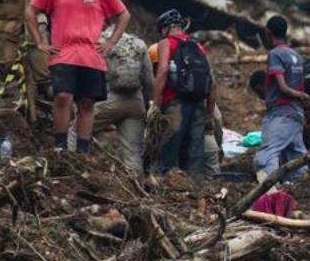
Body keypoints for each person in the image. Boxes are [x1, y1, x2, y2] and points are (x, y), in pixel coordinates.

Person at [26, 0, 130, 154]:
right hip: (63, 53)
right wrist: (39, 41)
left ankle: (83, 150)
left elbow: (124, 15)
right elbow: (31, 10)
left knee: (87, 103)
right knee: (62, 96)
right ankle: (59, 147)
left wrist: (110, 42)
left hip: (92, 56)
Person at [151, 9, 218, 176]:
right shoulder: (197, 46)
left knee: (169, 149)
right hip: (198, 105)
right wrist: (209, 113)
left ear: (165, 28)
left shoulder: (166, 43)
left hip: (174, 103)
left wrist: (155, 103)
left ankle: (166, 187)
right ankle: (194, 189)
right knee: (194, 152)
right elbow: (212, 81)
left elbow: (163, 71)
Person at [255, 15, 310, 181]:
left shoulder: (275, 54)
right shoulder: (295, 55)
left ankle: (268, 194)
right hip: (297, 114)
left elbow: (282, 87)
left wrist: (300, 95)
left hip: (282, 112)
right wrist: (301, 98)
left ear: (268, 32)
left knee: (266, 157)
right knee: (296, 157)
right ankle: (302, 190)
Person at [92, 25, 153, 173]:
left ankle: (70, 168)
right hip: (135, 103)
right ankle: (137, 189)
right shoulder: (139, 44)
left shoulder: (99, 41)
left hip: (108, 100)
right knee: (133, 153)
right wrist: (146, 105)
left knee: (76, 132)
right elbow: (149, 80)